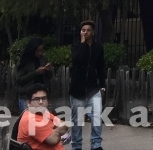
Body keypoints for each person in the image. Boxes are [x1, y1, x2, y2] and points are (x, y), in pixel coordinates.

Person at [68, 20, 105, 150]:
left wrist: (102, 85)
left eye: (88, 30)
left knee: (96, 117)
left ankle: (96, 144)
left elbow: (101, 67)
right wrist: (83, 44)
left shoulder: (98, 48)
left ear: (93, 32)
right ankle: (76, 145)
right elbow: (77, 60)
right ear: (80, 32)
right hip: (77, 91)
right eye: (83, 30)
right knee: (77, 120)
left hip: (93, 89)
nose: (86, 32)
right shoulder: (76, 47)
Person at [16, 85, 68, 150]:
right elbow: (53, 140)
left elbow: (65, 125)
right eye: (36, 99)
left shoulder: (44, 113)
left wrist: (54, 131)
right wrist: (56, 130)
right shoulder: (31, 120)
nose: (41, 102)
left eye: (44, 98)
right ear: (28, 103)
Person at [16, 37, 52, 112]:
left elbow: (49, 78)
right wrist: (35, 73)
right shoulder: (24, 61)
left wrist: (47, 70)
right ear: (32, 50)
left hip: (41, 96)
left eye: (41, 51)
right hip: (26, 97)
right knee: (28, 121)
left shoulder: (43, 59)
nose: (40, 53)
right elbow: (19, 79)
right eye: (37, 51)